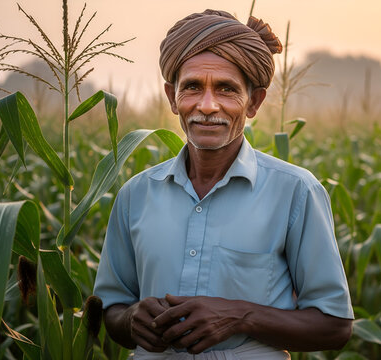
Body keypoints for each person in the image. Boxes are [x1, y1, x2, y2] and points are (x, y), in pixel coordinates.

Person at [94, 9, 354, 359]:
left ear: (254, 102)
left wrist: (239, 316)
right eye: (192, 87)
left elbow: (335, 326)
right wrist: (131, 320)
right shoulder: (135, 195)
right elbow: (110, 309)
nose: (207, 105)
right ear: (172, 97)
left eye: (226, 89)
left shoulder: (295, 192)